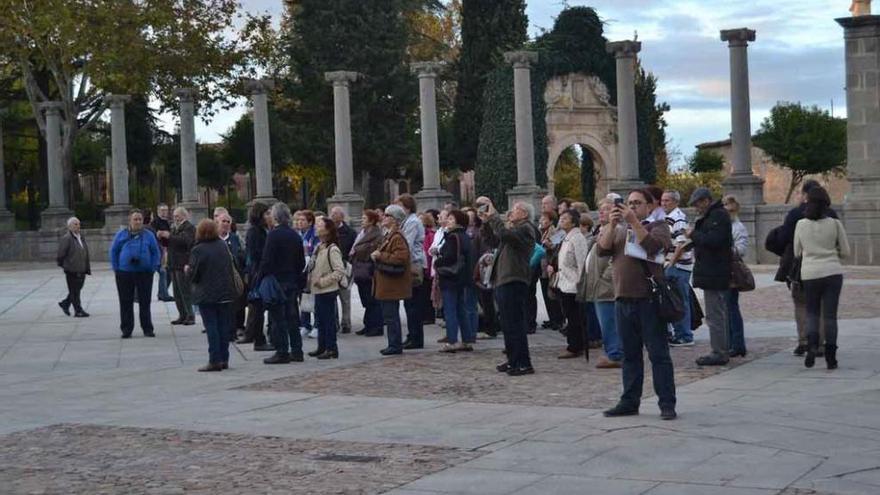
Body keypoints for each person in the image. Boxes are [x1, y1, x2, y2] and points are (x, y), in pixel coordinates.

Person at [598, 189, 676, 420]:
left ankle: (667, 403)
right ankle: (630, 401)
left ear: (649, 206)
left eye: (637, 203)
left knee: (658, 354)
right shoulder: (621, 229)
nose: (631, 207)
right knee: (630, 355)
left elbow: (654, 247)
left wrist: (634, 222)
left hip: (649, 300)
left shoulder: (659, 226)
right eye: (628, 203)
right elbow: (602, 250)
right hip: (623, 299)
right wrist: (612, 225)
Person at [774, 180, 838, 356]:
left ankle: (805, 341)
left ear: (805, 195)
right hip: (829, 267)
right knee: (824, 306)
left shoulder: (795, 214)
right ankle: (823, 344)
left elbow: (784, 239)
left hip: (802, 266)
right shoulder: (832, 214)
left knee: (802, 305)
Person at [478, 198, 538, 376]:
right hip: (504, 279)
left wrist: (495, 217)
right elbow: (494, 239)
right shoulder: (514, 229)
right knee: (507, 323)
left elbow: (505, 236)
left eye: (515, 209)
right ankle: (513, 359)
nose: (510, 212)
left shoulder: (526, 229)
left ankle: (523, 362)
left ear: (525, 214)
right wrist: (488, 222)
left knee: (515, 323)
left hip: (514, 279)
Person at [794, 186, 850, 369]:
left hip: (810, 273)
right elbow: (846, 252)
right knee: (830, 316)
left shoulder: (801, 224)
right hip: (832, 271)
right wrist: (832, 254)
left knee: (812, 312)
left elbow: (797, 252)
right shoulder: (834, 223)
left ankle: (811, 346)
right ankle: (831, 357)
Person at [687, 188, 733, 366]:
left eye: (697, 204)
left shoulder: (718, 216)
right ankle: (721, 349)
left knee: (715, 314)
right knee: (717, 313)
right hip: (711, 271)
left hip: (715, 271)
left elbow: (713, 240)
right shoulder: (714, 216)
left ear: (706, 201)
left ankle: (719, 351)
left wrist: (693, 234)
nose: (696, 208)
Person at [188, 219, 239, 372]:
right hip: (225, 292)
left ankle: (214, 359)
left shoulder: (198, 249)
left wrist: (187, 271)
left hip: (207, 294)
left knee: (211, 327)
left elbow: (195, 274)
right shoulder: (222, 246)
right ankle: (224, 358)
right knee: (223, 326)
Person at [261, 202, 306, 364]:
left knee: (278, 318)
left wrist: (260, 277)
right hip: (291, 280)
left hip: (277, 281)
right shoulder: (295, 235)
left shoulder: (273, 235)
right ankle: (297, 350)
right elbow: (301, 262)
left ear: (275, 217)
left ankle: (282, 351)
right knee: (292, 317)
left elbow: (267, 261)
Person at [580, 198, 622, 369]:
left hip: (606, 284)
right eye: (601, 209)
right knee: (605, 321)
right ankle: (611, 351)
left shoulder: (617, 230)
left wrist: (605, 278)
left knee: (609, 321)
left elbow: (615, 258)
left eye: (606, 209)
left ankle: (615, 354)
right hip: (597, 282)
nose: (602, 212)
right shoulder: (602, 229)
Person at [109, 210, 161, 338]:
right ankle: (127, 329)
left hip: (144, 273)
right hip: (125, 273)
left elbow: (156, 252)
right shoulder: (121, 234)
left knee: (145, 301)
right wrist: (117, 268)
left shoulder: (149, 235)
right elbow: (114, 251)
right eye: (135, 219)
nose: (138, 222)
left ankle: (147, 328)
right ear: (130, 221)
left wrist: (153, 267)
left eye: (140, 219)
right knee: (125, 301)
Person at [549, 208, 590, 360]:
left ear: (573, 222)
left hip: (573, 283)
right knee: (569, 315)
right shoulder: (566, 237)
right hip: (564, 282)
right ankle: (573, 343)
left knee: (574, 317)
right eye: (561, 218)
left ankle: (574, 346)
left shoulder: (577, 238)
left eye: (565, 219)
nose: (561, 221)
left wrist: (580, 283)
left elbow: (581, 262)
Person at [372, 204, 412, 356]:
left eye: (388, 215)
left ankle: (395, 344)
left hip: (391, 283)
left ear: (395, 220)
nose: (384, 217)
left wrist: (380, 256)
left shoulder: (397, 237)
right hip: (386, 282)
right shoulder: (388, 235)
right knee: (389, 315)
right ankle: (392, 343)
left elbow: (401, 257)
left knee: (391, 315)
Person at [435, 210, 475, 352]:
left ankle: (452, 340)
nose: (448, 221)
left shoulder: (453, 237)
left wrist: (438, 261)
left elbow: (450, 257)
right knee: (461, 309)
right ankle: (467, 339)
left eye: (451, 219)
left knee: (450, 310)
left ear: (458, 221)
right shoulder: (464, 236)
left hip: (451, 277)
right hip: (462, 277)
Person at [307, 217, 346, 359]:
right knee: (320, 320)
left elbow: (339, 271)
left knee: (328, 320)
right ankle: (322, 346)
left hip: (327, 290)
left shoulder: (333, 249)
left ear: (327, 230)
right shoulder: (320, 246)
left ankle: (331, 348)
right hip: (318, 290)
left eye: (320, 225)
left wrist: (323, 281)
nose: (317, 228)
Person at [661, 190, 694, 346]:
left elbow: (681, 244)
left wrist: (671, 264)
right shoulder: (669, 218)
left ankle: (684, 335)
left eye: (667, 200)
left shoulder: (678, 218)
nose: (663, 203)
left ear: (675, 202)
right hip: (674, 264)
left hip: (679, 266)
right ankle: (680, 333)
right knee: (676, 300)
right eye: (662, 200)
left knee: (679, 300)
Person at [239, 202, 274, 351]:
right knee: (258, 307)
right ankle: (259, 339)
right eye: (266, 213)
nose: (269, 216)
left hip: (257, 272)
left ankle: (254, 335)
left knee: (257, 307)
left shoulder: (261, 230)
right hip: (258, 273)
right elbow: (256, 254)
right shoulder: (255, 232)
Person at [394, 194, 426, 350]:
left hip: (413, 264)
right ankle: (412, 335)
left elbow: (408, 243)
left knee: (413, 304)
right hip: (410, 263)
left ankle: (416, 337)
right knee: (409, 303)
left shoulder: (412, 222)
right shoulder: (407, 221)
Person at [158, 207, 196, 325]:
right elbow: (170, 243)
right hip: (174, 263)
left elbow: (185, 241)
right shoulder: (175, 227)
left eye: (177, 216)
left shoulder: (189, 227)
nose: (175, 218)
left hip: (182, 263)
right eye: (174, 216)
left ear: (184, 216)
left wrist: (169, 236)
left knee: (185, 291)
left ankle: (190, 315)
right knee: (177, 292)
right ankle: (182, 314)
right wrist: (162, 237)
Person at [351, 210, 384, 336]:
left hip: (369, 269)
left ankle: (376, 326)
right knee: (365, 299)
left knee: (372, 299)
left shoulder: (376, 234)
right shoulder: (362, 233)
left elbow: (368, 250)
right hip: (360, 269)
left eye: (364, 218)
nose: (362, 220)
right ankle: (368, 324)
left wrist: (359, 250)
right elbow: (355, 249)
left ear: (371, 221)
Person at [724, 195, 749, 358]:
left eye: (728, 205)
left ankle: (737, 343)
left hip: (731, 271)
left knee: (731, 307)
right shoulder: (725, 226)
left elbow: (741, 249)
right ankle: (731, 342)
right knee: (726, 308)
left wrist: (725, 250)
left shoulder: (738, 227)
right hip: (722, 270)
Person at [217, 211, 246, 337]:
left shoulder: (234, 238)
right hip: (219, 277)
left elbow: (242, 254)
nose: (226, 224)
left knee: (237, 303)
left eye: (228, 222)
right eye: (223, 221)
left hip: (234, 276)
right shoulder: (214, 239)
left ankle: (237, 327)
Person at [57, 217, 91, 317]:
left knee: (76, 290)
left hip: (82, 268)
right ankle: (78, 310)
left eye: (78, 224)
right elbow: (61, 254)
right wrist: (66, 266)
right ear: (69, 226)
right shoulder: (67, 238)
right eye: (75, 224)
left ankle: (65, 303)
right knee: (74, 291)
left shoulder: (81, 237)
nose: (78, 226)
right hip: (71, 269)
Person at [330, 207, 356, 334]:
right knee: (331, 296)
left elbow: (353, 249)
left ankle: (346, 322)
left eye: (335, 214)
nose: (333, 216)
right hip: (330, 267)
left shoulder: (349, 232)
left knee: (345, 296)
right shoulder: (328, 231)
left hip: (344, 266)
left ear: (342, 216)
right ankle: (333, 322)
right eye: (332, 214)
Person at [538, 210, 564, 331]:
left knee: (552, 294)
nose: (541, 222)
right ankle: (552, 318)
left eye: (544, 220)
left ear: (551, 221)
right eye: (541, 219)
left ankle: (557, 320)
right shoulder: (544, 231)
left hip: (550, 266)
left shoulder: (554, 231)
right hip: (543, 267)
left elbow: (554, 246)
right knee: (546, 294)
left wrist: (547, 244)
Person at [295, 210, 318, 339]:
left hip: (311, 269)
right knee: (303, 298)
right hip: (300, 269)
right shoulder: (297, 234)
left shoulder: (314, 235)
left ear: (310, 222)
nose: (299, 222)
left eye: (303, 220)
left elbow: (314, 250)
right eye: (298, 220)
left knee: (314, 299)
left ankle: (317, 325)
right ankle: (305, 324)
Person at [151, 204, 173, 302]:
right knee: (163, 271)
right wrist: (162, 234)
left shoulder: (168, 222)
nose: (165, 212)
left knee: (168, 272)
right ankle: (163, 294)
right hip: (160, 250)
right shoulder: (155, 222)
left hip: (167, 249)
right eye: (162, 210)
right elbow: (156, 234)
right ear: (158, 211)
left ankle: (162, 292)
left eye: (166, 210)